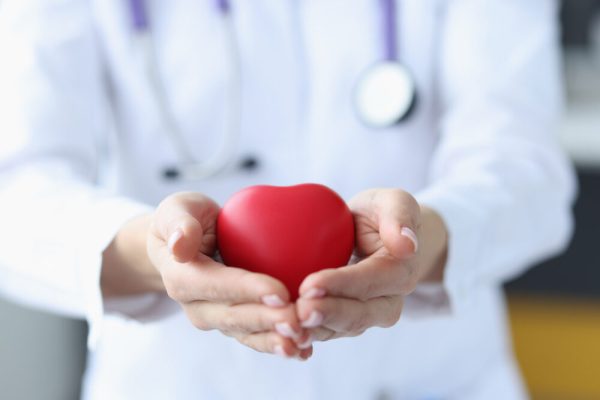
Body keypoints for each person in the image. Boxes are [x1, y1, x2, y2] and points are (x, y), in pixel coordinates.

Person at [0, 0, 576, 399]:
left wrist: (419, 242)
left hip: (424, 377)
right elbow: (16, 188)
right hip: (177, 381)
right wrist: (154, 256)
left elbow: (525, 167)